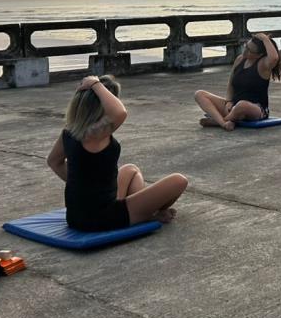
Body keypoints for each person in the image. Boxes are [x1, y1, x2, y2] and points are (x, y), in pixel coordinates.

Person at [46, 75, 188, 231]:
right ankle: (149, 214)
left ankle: (143, 212)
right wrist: (96, 84)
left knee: (131, 170)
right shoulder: (94, 133)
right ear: (101, 107)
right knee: (179, 181)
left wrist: (83, 185)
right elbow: (120, 112)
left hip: (77, 216)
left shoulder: (70, 131)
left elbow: (53, 161)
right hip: (102, 218)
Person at [194, 32, 281, 130]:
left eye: (250, 50)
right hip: (233, 106)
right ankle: (224, 123)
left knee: (242, 105)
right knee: (199, 94)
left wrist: (265, 39)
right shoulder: (240, 59)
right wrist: (228, 101)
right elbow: (231, 84)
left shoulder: (263, 65)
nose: (245, 51)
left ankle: (219, 121)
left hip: (255, 110)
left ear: (259, 55)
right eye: (246, 46)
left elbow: (274, 58)